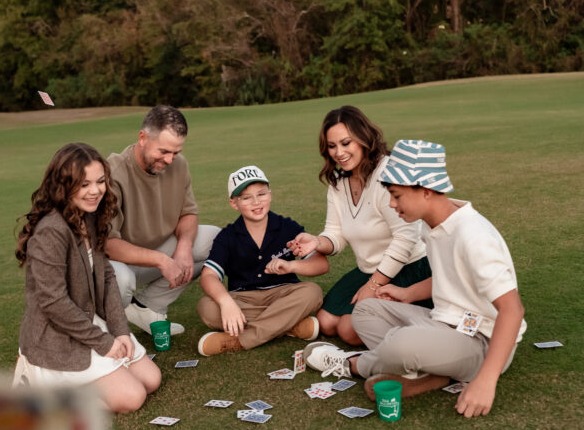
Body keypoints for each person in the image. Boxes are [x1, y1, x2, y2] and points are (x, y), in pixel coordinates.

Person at [304, 140, 526, 418]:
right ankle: (436, 373)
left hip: (482, 341)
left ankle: (356, 364)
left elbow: (513, 310)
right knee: (365, 310)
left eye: (396, 195)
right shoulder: (431, 225)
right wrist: (406, 294)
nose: (391, 204)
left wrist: (487, 381)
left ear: (426, 191)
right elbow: (454, 277)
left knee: (402, 343)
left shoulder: (473, 237)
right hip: (444, 323)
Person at [13, 143, 161, 413]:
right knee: (132, 398)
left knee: (152, 379)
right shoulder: (50, 231)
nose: (95, 191)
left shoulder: (89, 217)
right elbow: (54, 303)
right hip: (55, 334)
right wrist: (104, 343)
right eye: (83, 185)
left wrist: (120, 331)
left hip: (87, 320)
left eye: (100, 181)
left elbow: (106, 277)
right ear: (63, 186)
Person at [288, 105, 432, 345]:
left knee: (348, 329)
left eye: (346, 143)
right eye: (332, 146)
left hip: (408, 268)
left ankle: (420, 329)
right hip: (368, 269)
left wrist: (373, 286)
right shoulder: (338, 183)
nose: (339, 152)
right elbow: (335, 235)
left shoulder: (387, 174)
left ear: (363, 139)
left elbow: (406, 238)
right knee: (326, 322)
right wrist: (316, 242)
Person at [105, 106, 219, 336]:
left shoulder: (179, 165)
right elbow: (108, 244)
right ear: (143, 138)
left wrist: (185, 248)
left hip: (157, 249)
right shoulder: (113, 172)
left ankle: (148, 307)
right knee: (122, 280)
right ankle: (111, 335)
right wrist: (162, 261)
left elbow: (188, 213)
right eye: (164, 151)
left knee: (217, 240)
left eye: (175, 152)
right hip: (118, 262)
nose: (169, 160)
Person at [196, 165, 329, 355]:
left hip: (284, 295)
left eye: (261, 194)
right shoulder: (227, 236)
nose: (256, 202)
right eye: (246, 197)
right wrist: (226, 303)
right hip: (243, 299)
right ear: (234, 203)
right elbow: (208, 276)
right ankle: (290, 325)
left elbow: (321, 264)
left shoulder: (287, 227)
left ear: (270, 194)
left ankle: (239, 341)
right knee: (207, 307)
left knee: (312, 292)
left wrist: (292, 265)